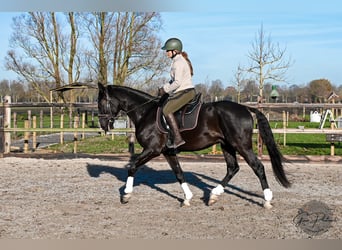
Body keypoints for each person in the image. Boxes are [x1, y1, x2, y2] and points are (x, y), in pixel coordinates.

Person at [158, 38, 196, 148]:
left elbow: (177, 82)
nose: (166, 53)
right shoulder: (177, 61)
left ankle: (178, 138)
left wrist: (165, 90)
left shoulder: (178, 63)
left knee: (166, 109)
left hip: (186, 91)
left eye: (167, 50)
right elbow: (173, 81)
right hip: (183, 91)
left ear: (175, 51)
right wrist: (163, 88)